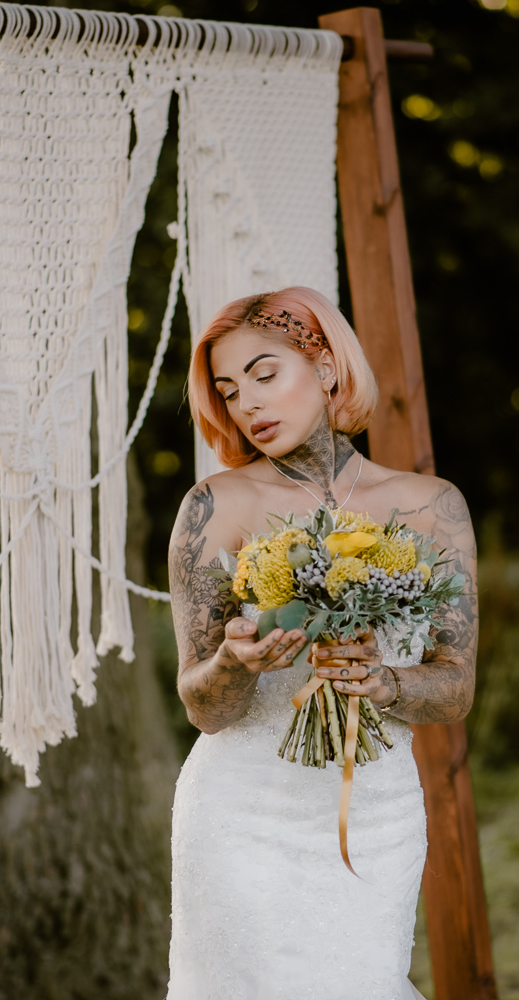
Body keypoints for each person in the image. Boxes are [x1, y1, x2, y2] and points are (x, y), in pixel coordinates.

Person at [166, 286, 477, 1000]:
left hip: (373, 811)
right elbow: (202, 706)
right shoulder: (214, 505)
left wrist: (387, 684)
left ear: (328, 367)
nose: (246, 402)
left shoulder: (432, 506)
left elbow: (454, 689)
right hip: (241, 812)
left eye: (263, 374)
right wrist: (233, 664)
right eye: (227, 388)